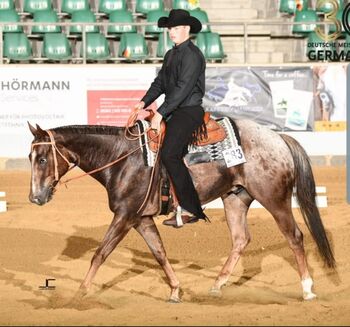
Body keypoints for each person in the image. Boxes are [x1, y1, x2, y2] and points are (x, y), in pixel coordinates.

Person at [134, 9, 208, 228]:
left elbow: (182, 89)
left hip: (188, 111)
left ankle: (191, 208)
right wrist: (144, 102)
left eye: (175, 28)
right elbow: (160, 83)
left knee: (170, 153)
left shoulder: (193, 55)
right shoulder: (170, 54)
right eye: (170, 29)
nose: (171, 32)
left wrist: (160, 113)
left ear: (186, 29)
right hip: (175, 109)